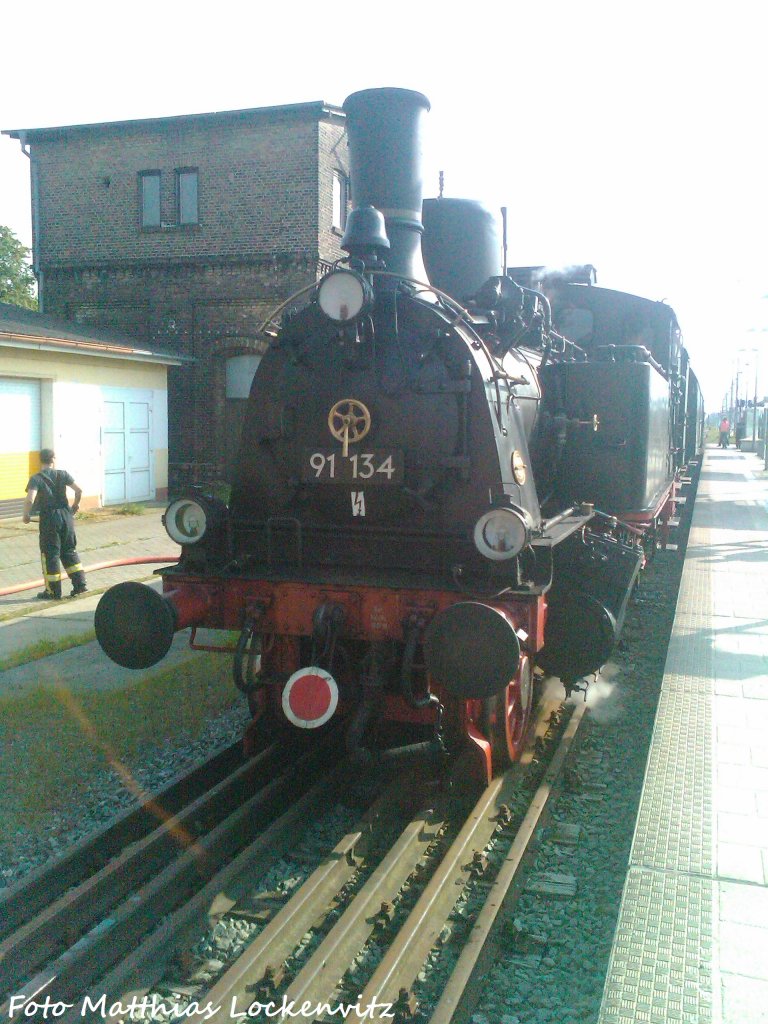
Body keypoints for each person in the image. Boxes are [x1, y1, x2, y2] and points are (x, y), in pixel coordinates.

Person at [22, 449, 88, 600]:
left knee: (50, 555)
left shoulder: (36, 479)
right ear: (53, 459)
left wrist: (26, 515)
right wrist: (75, 506)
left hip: (49, 520)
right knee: (69, 550)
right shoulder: (63, 474)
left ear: (40, 460)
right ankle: (80, 585)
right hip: (66, 516)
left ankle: (53, 591)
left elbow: (30, 499)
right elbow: (78, 491)